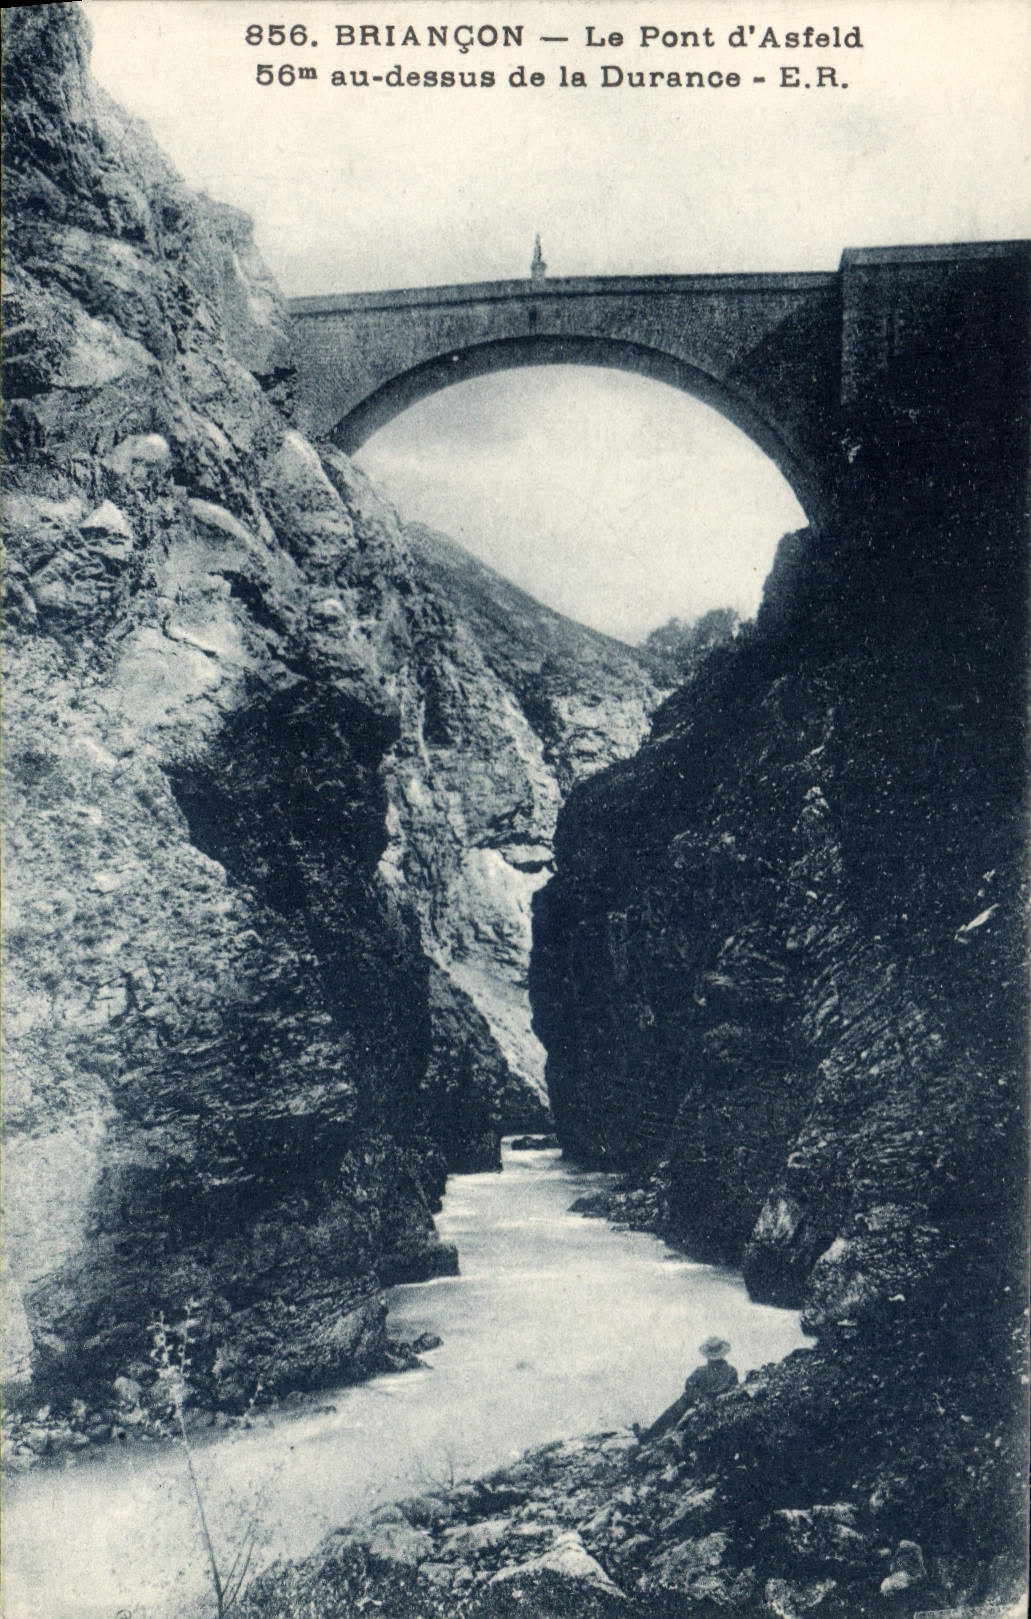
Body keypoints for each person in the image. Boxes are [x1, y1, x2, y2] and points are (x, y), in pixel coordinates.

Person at [634, 1336, 738, 1443]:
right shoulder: (731, 1371)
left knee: (675, 1409)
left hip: (702, 1402)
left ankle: (648, 1435)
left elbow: (689, 1385)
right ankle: (651, 1434)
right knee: (680, 1406)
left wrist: (701, 1399)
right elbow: (733, 1390)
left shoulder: (701, 1371)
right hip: (716, 1404)